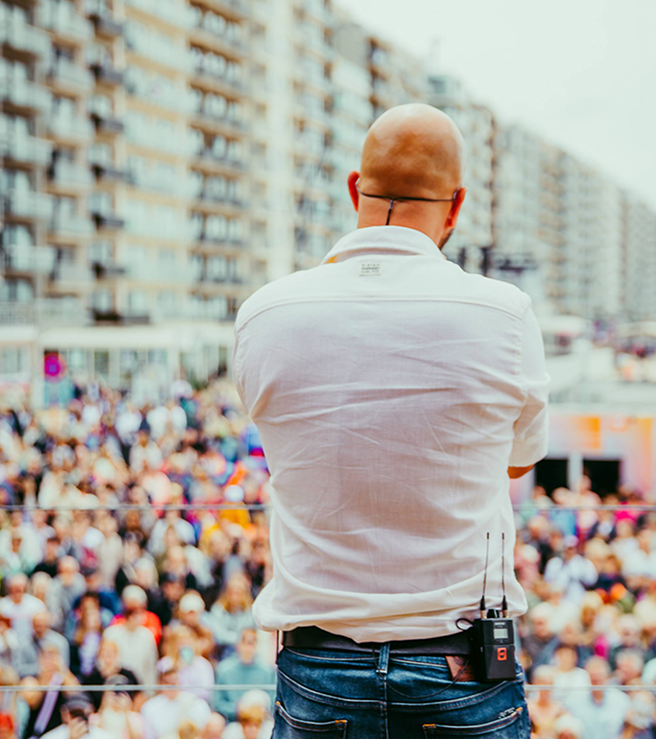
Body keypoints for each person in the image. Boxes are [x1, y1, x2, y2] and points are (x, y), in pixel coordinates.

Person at [232, 102, 548, 735]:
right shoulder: (506, 316)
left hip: (317, 667)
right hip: (461, 667)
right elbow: (515, 461)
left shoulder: (264, 315)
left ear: (355, 188)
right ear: (456, 205)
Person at [211, 630, 273, 721]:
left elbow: (272, 701)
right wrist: (236, 710)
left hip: (260, 722)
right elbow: (217, 703)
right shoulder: (224, 670)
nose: (247, 648)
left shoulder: (267, 671)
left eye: (251, 643)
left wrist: (257, 711)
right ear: (238, 645)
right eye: (244, 643)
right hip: (232, 722)